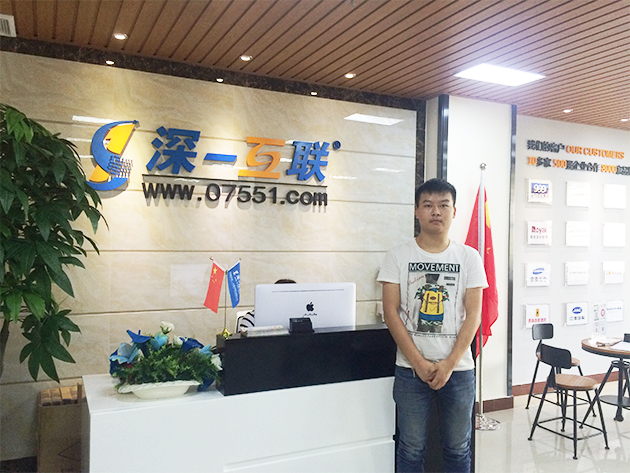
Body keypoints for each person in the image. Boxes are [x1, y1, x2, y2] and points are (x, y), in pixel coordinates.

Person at [377, 178, 487, 473]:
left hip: (459, 371)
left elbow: (474, 315)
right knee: (410, 448)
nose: (436, 211)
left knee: (458, 448)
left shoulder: (469, 257)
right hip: (410, 371)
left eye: (443, 205)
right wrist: (419, 363)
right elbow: (391, 313)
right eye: (427, 205)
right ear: (416, 211)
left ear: (454, 211)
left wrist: (449, 364)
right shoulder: (398, 255)